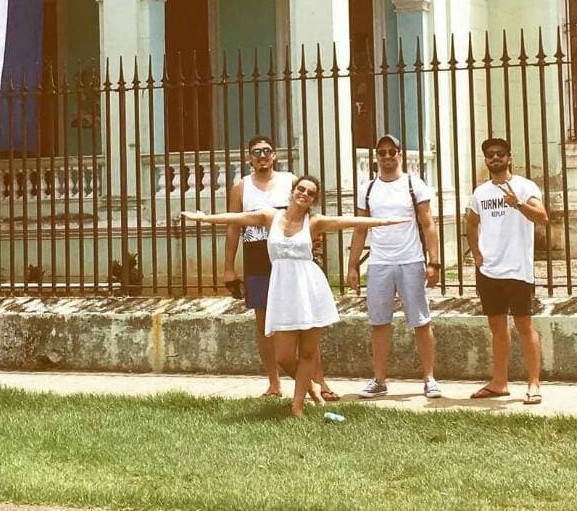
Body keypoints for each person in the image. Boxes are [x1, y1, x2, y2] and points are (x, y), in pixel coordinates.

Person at [184, 175, 403, 417]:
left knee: (308, 352)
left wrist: (386, 221)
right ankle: (310, 386)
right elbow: (236, 218)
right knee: (284, 357)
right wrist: (204, 218)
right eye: (301, 189)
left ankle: (297, 407)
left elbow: (346, 221)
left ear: (313, 200)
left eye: (310, 193)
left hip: (309, 289)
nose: (304, 194)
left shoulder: (314, 222)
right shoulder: (270, 217)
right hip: (281, 291)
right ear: (292, 191)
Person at [224, 136, 338, 400]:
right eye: (256, 152)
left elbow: (310, 218)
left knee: (306, 321)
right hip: (257, 255)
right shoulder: (241, 188)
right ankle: (274, 383)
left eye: (267, 151)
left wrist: (316, 251)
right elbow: (233, 228)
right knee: (265, 322)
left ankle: (319, 381)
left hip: (292, 258)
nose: (262, 156)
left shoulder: (290, 181)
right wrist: (229, 266)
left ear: (274, 155)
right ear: (248, 158)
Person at [347, 134, 442, 400]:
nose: (387, 157)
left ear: (400, 154)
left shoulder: (414, 184)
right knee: (379, 323)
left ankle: (429, 378)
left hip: (411, 260)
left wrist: (434, 261)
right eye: (382, 152)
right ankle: (379, 379)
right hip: (379, 263)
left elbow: (428, 224)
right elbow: (359, 230)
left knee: (421, 321)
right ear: (376, 156)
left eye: (392, 152)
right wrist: (353, 266)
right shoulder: (367, 188)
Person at [466, 137, 548, 405]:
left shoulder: (525, 187)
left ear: (509, 157)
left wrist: (517, 203)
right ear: (486, 160)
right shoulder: (480, 193)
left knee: (524, 325)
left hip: (517, 268)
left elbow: (543, 218)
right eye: (490, 155)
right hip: (489, 270)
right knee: (497, 327)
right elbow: (472, 222)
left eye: (500, 154)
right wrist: (477, 252)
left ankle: (533, 383)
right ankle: (499, 382)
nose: (495, 158)